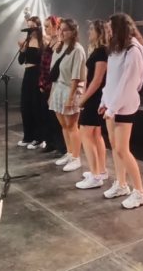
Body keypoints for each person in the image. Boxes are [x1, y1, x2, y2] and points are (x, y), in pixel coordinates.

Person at [100, 13, 143, 209]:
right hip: (112, 105)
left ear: (119, 29)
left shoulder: (133, 51)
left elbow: (129, 83)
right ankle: (121, 184)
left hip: (124, 106)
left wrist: (112, 107)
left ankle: (141, 192)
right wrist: (104, 101)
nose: (108, 32)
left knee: (122, 149)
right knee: (115, 147)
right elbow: (111, 79)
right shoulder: (115, 49)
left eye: (110, 28)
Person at [48, 18, 87, 172]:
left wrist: (71, 98)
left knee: (72, 126)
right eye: (60, 29)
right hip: (58, 89)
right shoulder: (59, 48)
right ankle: (70, 153)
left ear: (73, 32)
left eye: (65, 30)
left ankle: (76, 158)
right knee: (64, 125)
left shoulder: (77, 50)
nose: (61, 32)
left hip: (71, 90)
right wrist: (52, 94)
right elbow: (54, 74)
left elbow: (76, 76)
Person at [75, 20, 109, 189]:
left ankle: (96, 176)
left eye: (92, 29)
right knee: (95, 134)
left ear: (99, 32)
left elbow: (97, 80)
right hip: (95, 97)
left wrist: (83, 98)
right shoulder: (99, 50)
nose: (89, 32)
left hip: (95, 98)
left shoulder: (102, 52)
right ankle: (100, 171)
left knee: (86, 134)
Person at [16, 16, 45, 149]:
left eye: (32, 26)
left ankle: (39, 138)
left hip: (37, 73)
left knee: (36, 106)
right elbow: (21, 61)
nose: (30, 29)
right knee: (25, 105)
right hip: (27, 74)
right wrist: (22, 50)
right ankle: (28, 136)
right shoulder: (27, 41)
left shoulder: (43, 41)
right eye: (28, 26)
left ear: (37, 27)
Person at [38, 16, 64, 153]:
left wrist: (48, 84)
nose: (45, 29)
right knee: (46, 116)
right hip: (44, 82)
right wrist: (41, 82)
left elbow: (56, 68)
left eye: (48, 26)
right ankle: (50, 142)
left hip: (52, 83)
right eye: (44, 26)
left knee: (55, 118)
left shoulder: (59, 44)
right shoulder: (49, 42)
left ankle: (60, 146)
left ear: (55, 27)